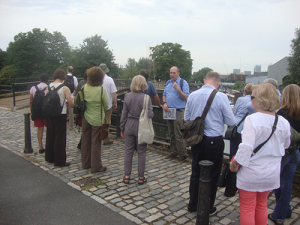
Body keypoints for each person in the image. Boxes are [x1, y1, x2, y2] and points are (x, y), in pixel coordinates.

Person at [230, 83, 291, 225]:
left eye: (252, 97)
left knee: (247, 208)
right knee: (262, 205)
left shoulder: (252, 119)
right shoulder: (283, 122)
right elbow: (286, 145)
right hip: (271, 172)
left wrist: (234, 164)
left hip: (252, 173)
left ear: (260, 100)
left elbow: (246, 148)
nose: (250, 100)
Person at [185, 71, 235, 214]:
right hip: (213, 140)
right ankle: (207, 207)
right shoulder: (221, 97)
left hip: (196, 139)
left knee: (196, 172)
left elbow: (187, 118)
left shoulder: (193, 95)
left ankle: (193, 204)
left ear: (205, 80)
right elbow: (231, 121)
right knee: (213, 174)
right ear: (218, 83)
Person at [269, 84, 300, 224]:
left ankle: (279, 214)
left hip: (283, 152)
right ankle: (285, 210)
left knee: (277, 182)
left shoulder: (281, 113)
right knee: (287, 183)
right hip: (296, 151)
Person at [120, 75, 154, 185]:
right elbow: (150, 114)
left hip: (129, 125)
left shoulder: (127, 96)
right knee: (141, 153)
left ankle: (126, 176)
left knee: (128, 152)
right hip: (141, 126)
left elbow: (124, 114)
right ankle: (140, 177)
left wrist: (122, 127)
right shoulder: (146, 98)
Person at [224, 83, 254, 197]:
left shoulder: (241, 99)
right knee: (244, 156)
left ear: (245, 91)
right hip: (247, 131)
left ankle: (230, 185)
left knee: (233, 155)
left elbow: (234, 113)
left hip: (237, 129)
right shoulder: (254, 102)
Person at [81, 66, 108, 173]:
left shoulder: (84, 88)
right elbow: (106, 105)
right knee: (96, 143)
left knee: (85, 141)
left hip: (86, 117)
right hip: (97, 119)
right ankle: (96, 166)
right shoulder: (101, 90)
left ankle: (85, 163)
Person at [45, 69, 74, 167]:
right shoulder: (65, 88)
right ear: (63, 77)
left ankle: (49, 157)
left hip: (50, 114)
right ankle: (59, 160)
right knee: (59, 137)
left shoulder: (48, 86)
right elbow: (71, 103)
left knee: (50, 135)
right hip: (60, 114)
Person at [163, 66, 189, 162]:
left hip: (178, 111)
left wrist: (178, 89)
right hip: (169, 111)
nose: (172, 74)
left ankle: (183, 154)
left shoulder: (183, 83)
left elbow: (186, 97)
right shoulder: (168, 83)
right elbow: (164, 95)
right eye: (171, 73)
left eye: (174, 73)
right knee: (171, 133)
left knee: (178, 134)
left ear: (178, 73)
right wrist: (164, 103)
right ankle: (173, 151)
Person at [29, 73, 48, 153]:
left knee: (40, 129)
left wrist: (31, 112)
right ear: (47, 80)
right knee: (48, 128)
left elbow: (31, 101)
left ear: (39, 79)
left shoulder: (33, 88)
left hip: (37, 111)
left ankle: (40, 147)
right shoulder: (48, 87)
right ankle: (48, 146)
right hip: (46, 111)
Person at [99, 63, 117, 145]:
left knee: (98, 122)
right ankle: (106, 139)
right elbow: (113, 93)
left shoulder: (96, 79)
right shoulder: (109, 80)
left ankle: (97, 137)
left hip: (97, 105)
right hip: (108, 104)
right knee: (106, 122)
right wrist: (115, 102)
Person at [74, 70, 88, 150]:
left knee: (84, 127)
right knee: (86, 128)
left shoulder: (80, 83)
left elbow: (77, 95)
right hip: (85, 107)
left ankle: (82, 143)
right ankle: (83, 143)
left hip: (80, 107)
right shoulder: (88, 84)